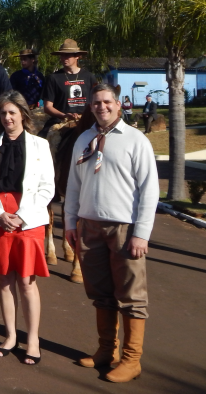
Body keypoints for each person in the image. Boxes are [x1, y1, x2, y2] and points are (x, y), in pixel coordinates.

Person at [65, 83, 159, 382]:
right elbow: (73, 185)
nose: (101, 107)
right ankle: (107, 350)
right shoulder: (84, 139)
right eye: (96, 102)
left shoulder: (135, 140)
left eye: (107, 102)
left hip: (124, 229)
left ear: (118, 104)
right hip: (89, 227)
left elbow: (149, 189)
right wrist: (70, 223)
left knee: (132, 296)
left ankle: (132, 360)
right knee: (100, 293)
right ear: (90, 106)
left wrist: (141, 233)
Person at [0, 91, 55, 365]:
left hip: (28, 218)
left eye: (12, 113)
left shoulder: (40, 145)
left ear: (23, 114)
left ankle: (33, 340)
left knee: (27, 282)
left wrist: (22, 215)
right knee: (5, 281)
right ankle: (10, 336)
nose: (7, 118)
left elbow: (47, 188)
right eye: (3, 113)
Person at [41, 39, 96, 132]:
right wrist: (64, 115)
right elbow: (48, 107)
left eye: (67, 55)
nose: (63, 58)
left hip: (86, 120)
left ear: (77, 56)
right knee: (43, 137)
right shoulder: (53, 78)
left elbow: (96, 101)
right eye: (62, 55)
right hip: (61, 121)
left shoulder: (89, 77)